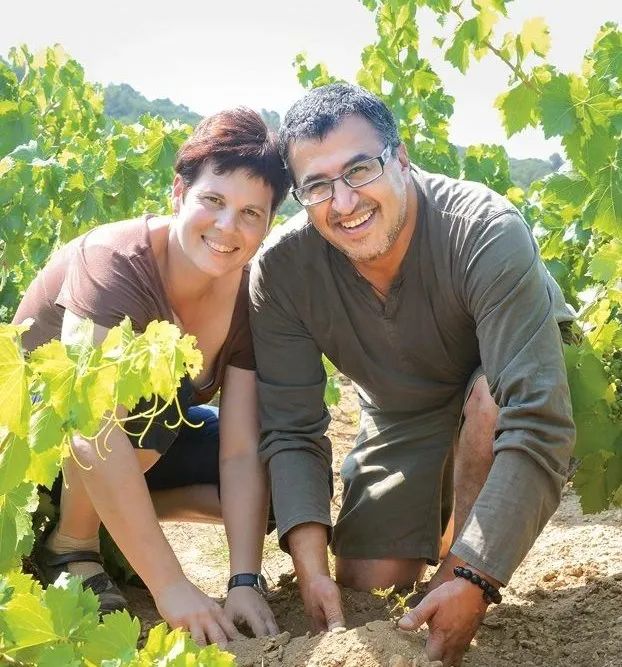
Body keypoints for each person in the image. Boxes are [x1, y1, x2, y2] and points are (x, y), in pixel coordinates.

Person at [249, 84, 575, 666]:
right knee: (367, 577)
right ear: (300, 195)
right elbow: (292, 428)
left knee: (490, 403)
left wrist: (471, 577)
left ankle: (463, 548)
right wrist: (310, 566)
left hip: (506, 380)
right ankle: (449, 500)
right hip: (402, 405)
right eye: (318, 186)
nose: (344, 203)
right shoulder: (280, 272)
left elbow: (536, 416)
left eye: (360, 169)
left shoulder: (483, 229)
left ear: (401, 158)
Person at [13, 107, 290, 647]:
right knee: (153, 393)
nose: (228, 227)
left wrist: (243, 579)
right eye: (213, 200)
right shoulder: (115, 260)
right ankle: (70, 543)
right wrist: (171, 586)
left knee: (274, 475)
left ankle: (121, 523)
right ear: (178, 193)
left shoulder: (250, 295)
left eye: (251, 213)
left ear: (268, 223)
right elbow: (86, 422)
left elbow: (237, 450)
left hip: (138, 450)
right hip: (41, 451)